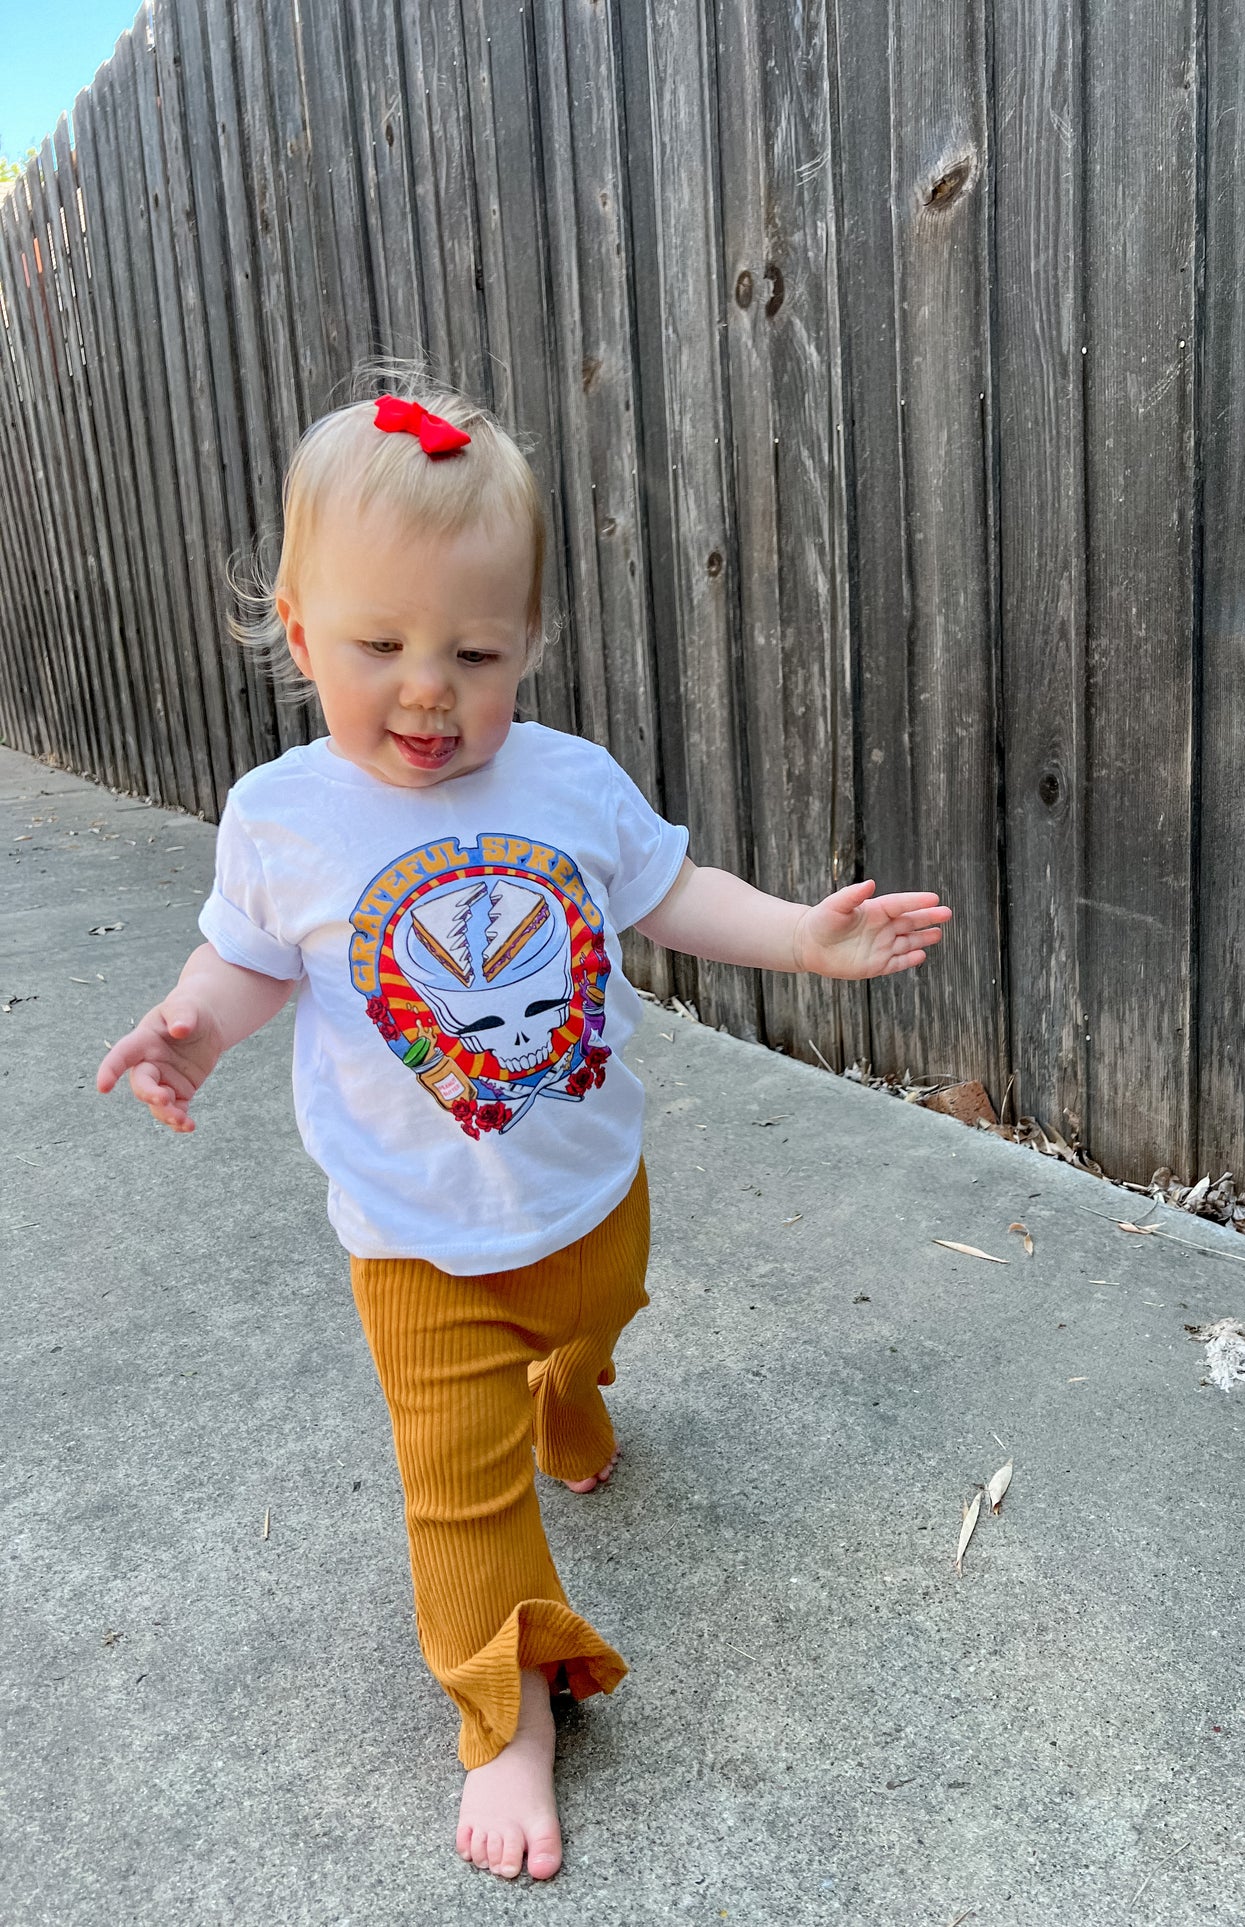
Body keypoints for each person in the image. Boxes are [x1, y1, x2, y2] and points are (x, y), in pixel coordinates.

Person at [95, 365, 952, 1883]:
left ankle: (574, 1383)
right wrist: (190, 1030)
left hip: (587, 1194)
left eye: (472, 649)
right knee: (458, 1490)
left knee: (600, 1323)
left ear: (529, 644)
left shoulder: (570, 785)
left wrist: (801, 939)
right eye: (379, 646)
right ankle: (506, 1711)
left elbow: (668, 894)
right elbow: (244, 958)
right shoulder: (284, 816)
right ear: (298, 633)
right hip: (418, 1246)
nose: (428, 688)